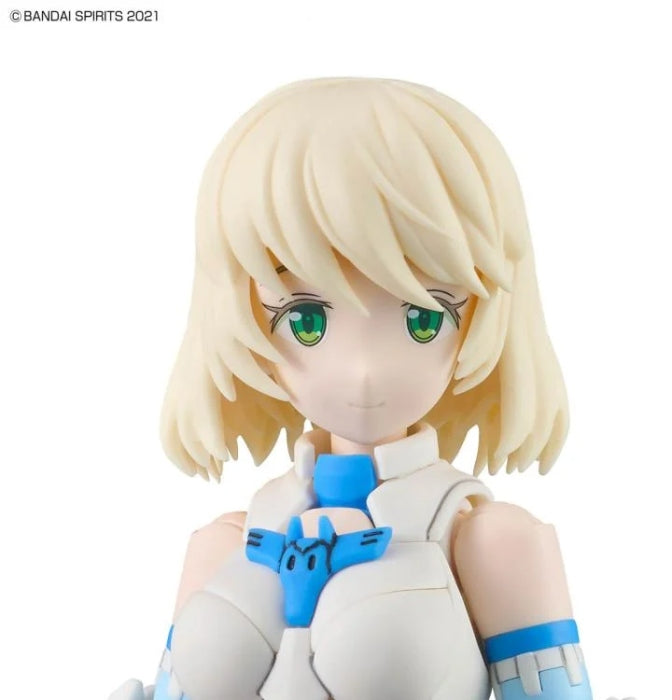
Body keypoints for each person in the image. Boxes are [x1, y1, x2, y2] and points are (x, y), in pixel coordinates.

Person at [110, 78, 615, 700]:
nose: (364, 369)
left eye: (423, 318)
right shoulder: (227, 543)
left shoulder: (488, 541)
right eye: (306, 320)